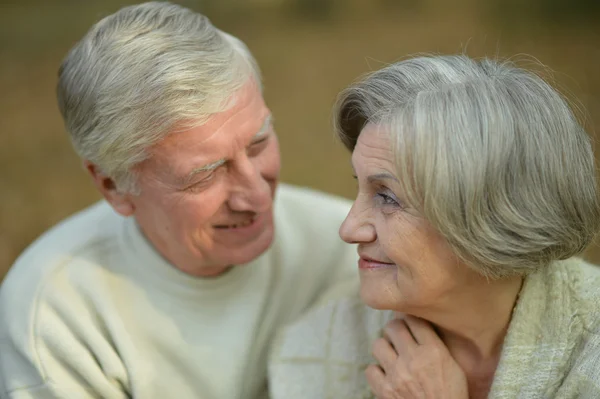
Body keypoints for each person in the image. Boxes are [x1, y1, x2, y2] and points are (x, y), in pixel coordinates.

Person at [0, 2, 358, 398]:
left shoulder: (354, 250)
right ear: (113, 185)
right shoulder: (57, 316)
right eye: (206, 173)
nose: (256, 194)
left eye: (258, 144)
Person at [269, 54, 600, 399]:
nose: (350, 229)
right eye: (361, 187)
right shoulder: (316, 351)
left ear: (492, 216)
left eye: (388, 197)